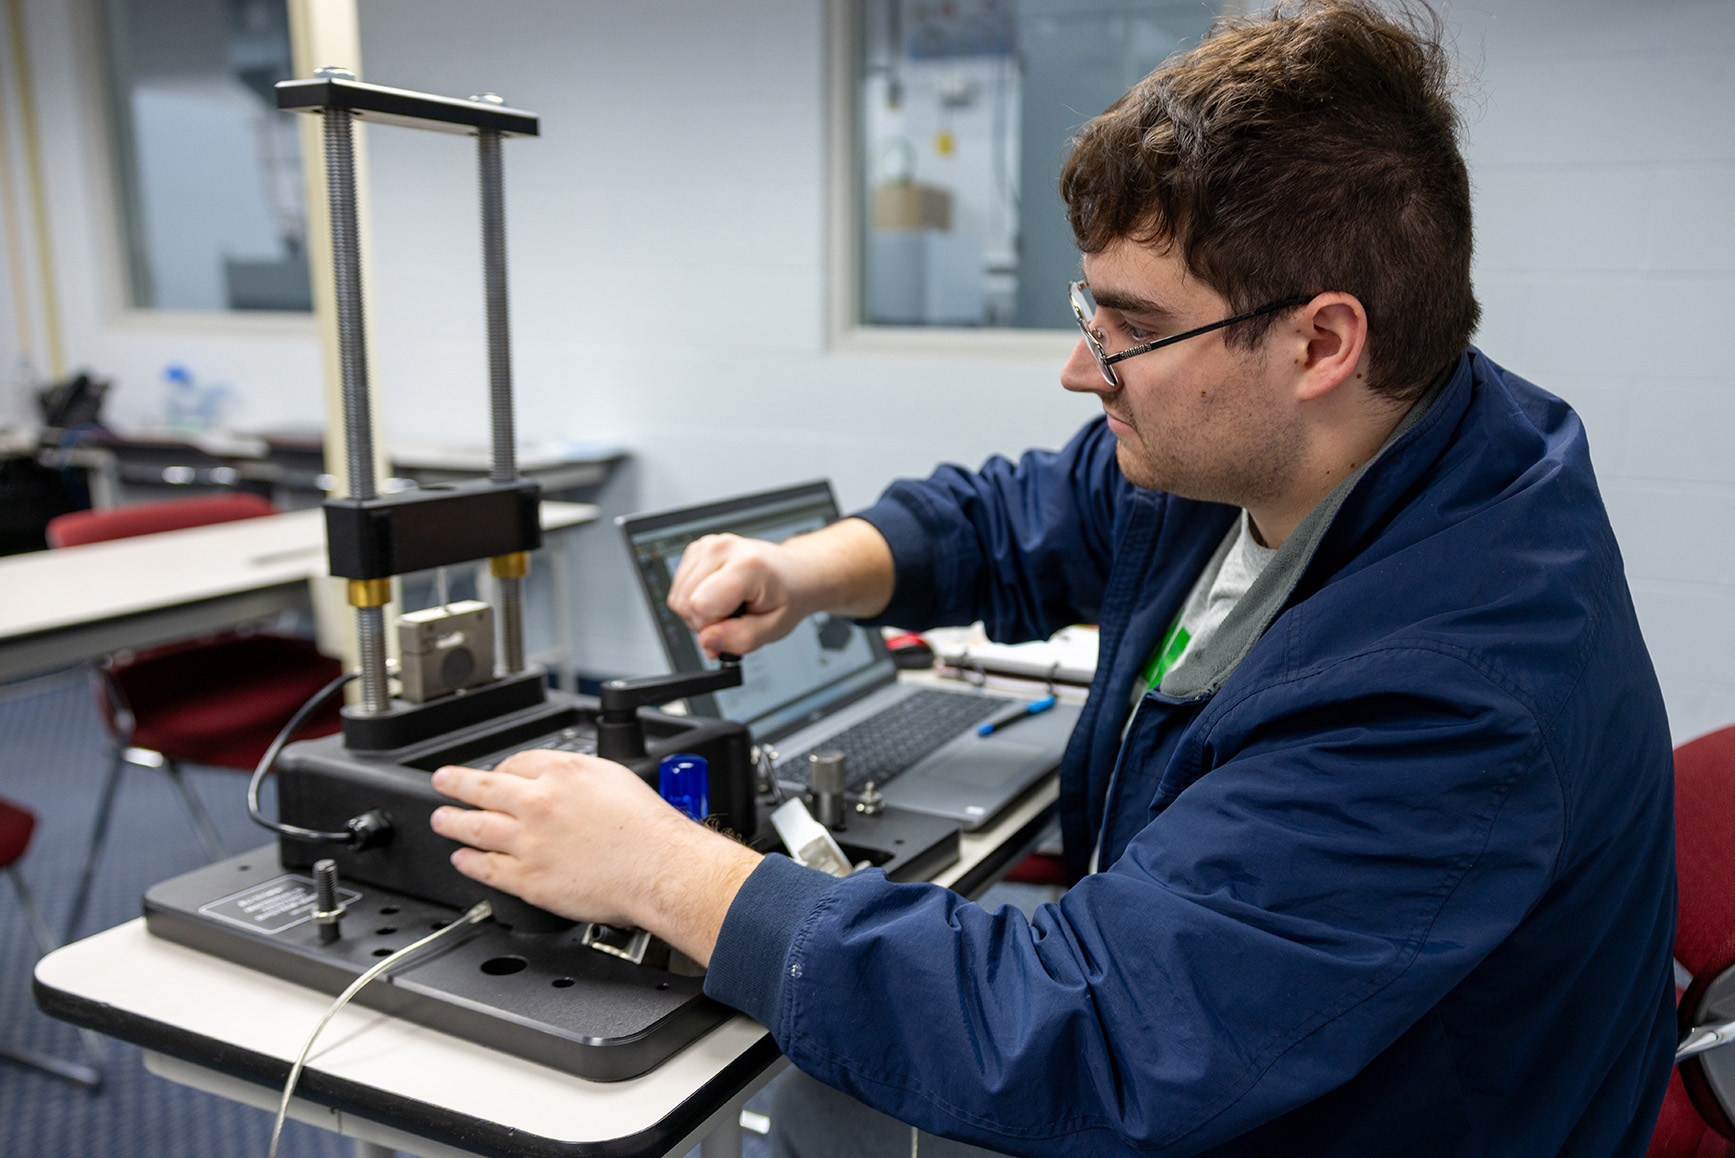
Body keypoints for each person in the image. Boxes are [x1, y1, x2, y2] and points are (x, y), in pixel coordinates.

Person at [426, 1, 1678, 1153]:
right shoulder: (1362, 435)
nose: (1085, 372)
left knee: (817, 1111)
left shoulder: (1449, 686)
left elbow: (1091, 1029)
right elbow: (1037, 511)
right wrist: (803, 570)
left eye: (1131, 329)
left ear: (1319, 340)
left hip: (1373, 1122)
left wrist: (665, 874)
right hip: (1294, 1058)